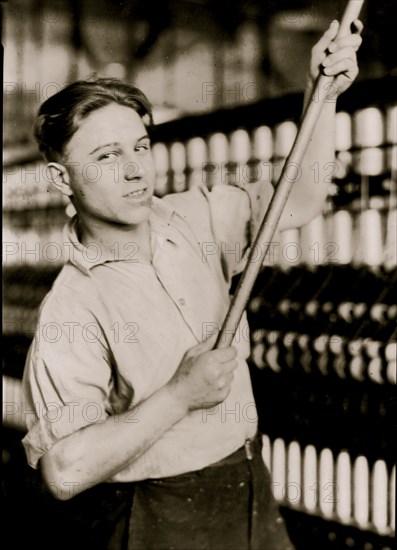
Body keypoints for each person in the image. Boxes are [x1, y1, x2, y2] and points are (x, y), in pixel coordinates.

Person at [21, 18, 363, 550]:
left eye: (140, 146)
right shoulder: (73, 308)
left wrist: (322, 96)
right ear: (61, 178)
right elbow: (63, 472)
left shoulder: (195, 218)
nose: (136, 170)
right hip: (158, 515)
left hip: (248, 481)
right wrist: (181, 395)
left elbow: (299, 199)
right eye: (107, 157)